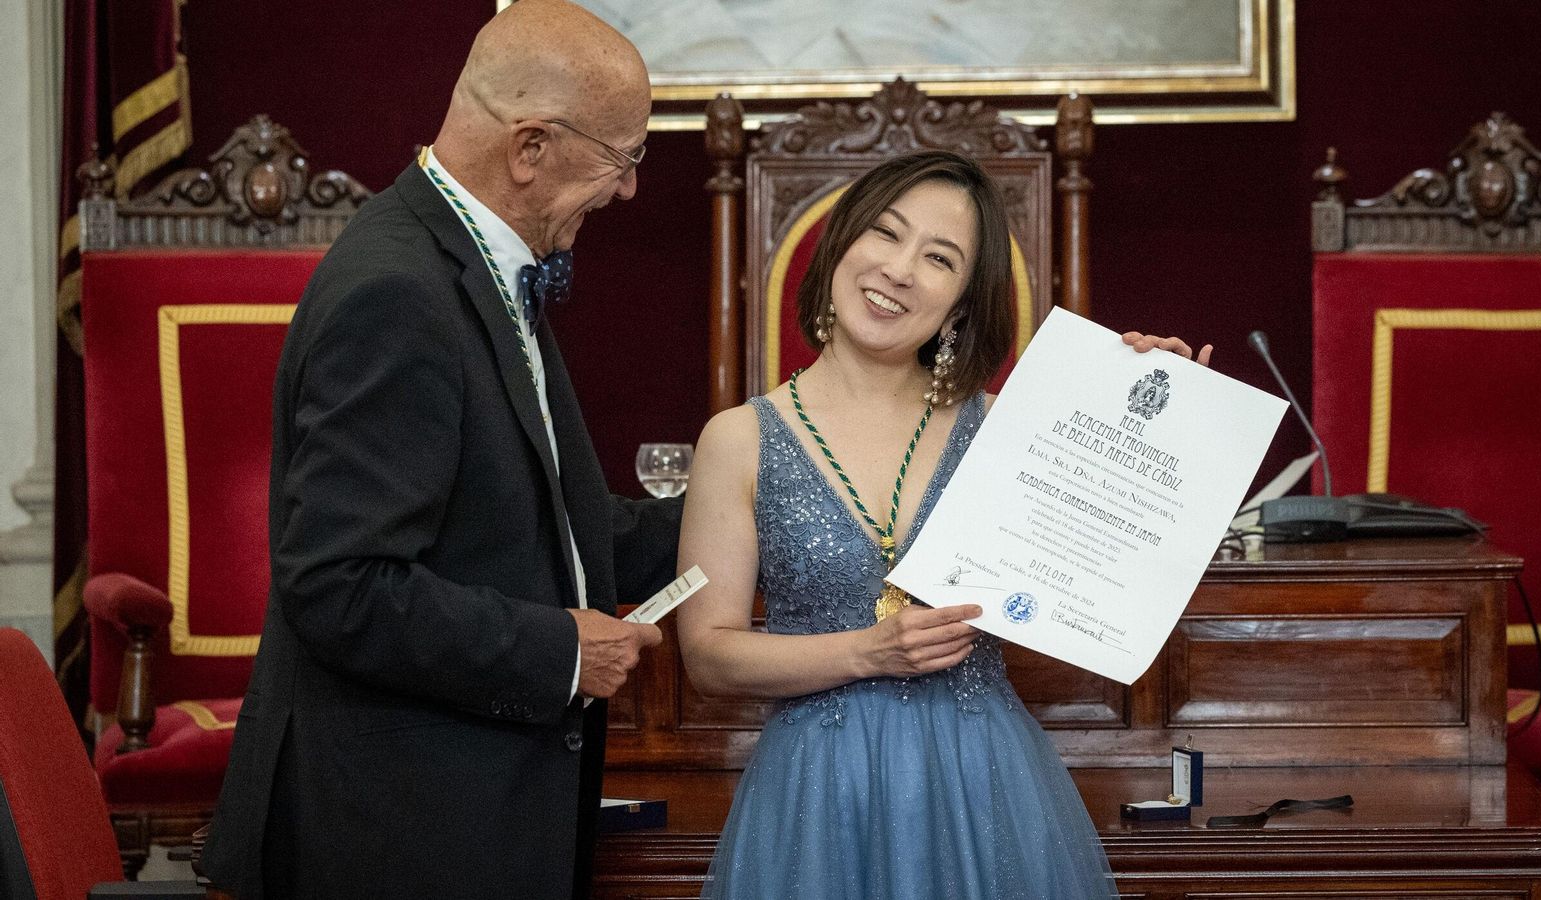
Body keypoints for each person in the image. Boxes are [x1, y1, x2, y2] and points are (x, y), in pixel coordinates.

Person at [201, 3, 680, 897]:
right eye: (622, 158)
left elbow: (530, 530)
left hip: (453, 817)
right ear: (530, 147)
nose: (626, 190)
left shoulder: (475, 261)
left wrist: (743, 501)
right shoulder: (398, 292)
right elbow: (340, 588)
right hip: (397, 836)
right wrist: (558, 653)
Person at [677, 149, 1211, 899]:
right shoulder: (738, 439)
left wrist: (1151, 406)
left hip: (981, 782)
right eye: (886, 233)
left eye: (939, 258)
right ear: (841, 243)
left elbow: (1116, 575)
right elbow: (708, 655)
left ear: (962, 302)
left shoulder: (1010, 428)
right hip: (818, 792)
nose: (899, 270)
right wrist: (866, 652)